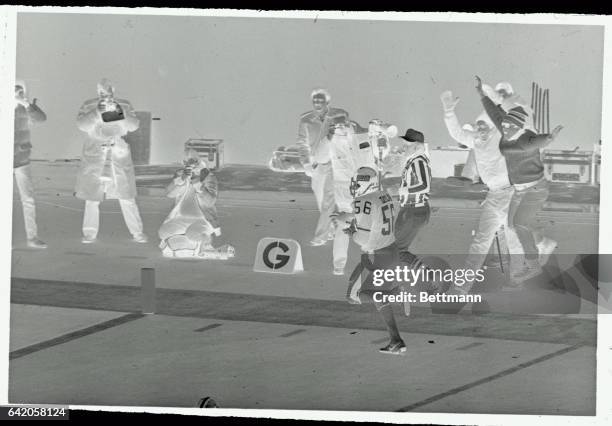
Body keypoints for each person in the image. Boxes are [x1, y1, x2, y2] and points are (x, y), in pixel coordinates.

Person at [475, 75, 563, 286]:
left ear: (519, 127)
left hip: (535, 189)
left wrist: (549, 138)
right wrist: (481, 94)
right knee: (512, 226)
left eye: (509, 127)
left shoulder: (526, 138)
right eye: (503, 127)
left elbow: (538, 141)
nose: (504, 130)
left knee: (519, 224)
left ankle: (533, 265)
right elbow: (495, 113)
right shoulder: (505, 128)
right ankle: (542, 242)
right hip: (519, 190)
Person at [441, 90, 526, 290]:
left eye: (483, 125)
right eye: (478, 126)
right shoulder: (476, 140)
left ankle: (516, 279)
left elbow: (503, 120)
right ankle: (461, 288)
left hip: (510, 194)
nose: (480, 129)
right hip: (494, 196)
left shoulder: (501, 138)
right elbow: (458, 133)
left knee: (514, 240)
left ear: (492, 126)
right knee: (480, 242)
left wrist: (494, 100)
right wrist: (449, 113)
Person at [339, 166, 408, 355]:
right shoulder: (383, 195)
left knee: (353, 295)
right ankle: (396, 338)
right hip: (392, 250)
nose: (354, 185)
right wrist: (353, 223)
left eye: (357, 181)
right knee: (379, 295)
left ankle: (394, 295)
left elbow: (363, 238)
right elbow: (376, 219)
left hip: (376, 255)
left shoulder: (361, 201)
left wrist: (351, 231)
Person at [75, 78, 148, 244]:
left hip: (117, 150)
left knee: (126, 194)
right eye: (102, 92)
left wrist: (119, 111)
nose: (105, 95)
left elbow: (133, 125)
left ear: (114, 91)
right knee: (92, 195)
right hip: (95, 151)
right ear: (97, 91)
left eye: (108, 92)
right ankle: (89, 233)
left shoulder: (124, 104)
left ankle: (137, 232)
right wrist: (96, 112)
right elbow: (81, 125)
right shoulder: (89, 104)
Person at [296, 88, 349, 247]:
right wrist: (306, 163)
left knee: (328, 201)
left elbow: (346, 137)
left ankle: (320, 235)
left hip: (335, 165)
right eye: (315, 100)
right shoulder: (306, 120)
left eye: (321, 100)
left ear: (328, 102)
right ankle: (332, 227)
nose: (317, 103)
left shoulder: (339, 115)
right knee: (321, 200)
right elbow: (302, 144)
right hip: (317, 164)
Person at [158, 148, 234, 259]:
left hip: (202, 219)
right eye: (186, 162)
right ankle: (189, 245)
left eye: (193, 162)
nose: (190, 165)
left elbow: (210, 201)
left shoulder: (208, 176)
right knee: (164, 232)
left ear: (199, 161)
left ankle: (206, 244)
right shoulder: (180, 175)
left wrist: (199, 185)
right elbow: (169, 193)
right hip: (182, 218)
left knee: (194, 233)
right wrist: (181, 181)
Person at [13, 80, 47, 249]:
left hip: (22, 160)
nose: (17, 93)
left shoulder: (26, 108)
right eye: (14, 89)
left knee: (28, 199)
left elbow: (41, 119)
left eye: (20, 90)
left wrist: (27, 104)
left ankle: (32, 237)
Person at [393, 129, 432, 270]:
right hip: (411, 210)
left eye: (407, 145)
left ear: (417, 147)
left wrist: (400, 190)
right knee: (395, 249)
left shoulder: (418, 162)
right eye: (404, 144)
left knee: (396, 250)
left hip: (414, 211)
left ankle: (431, 279)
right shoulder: (414, 160)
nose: (404, 147)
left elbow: (424, 186)